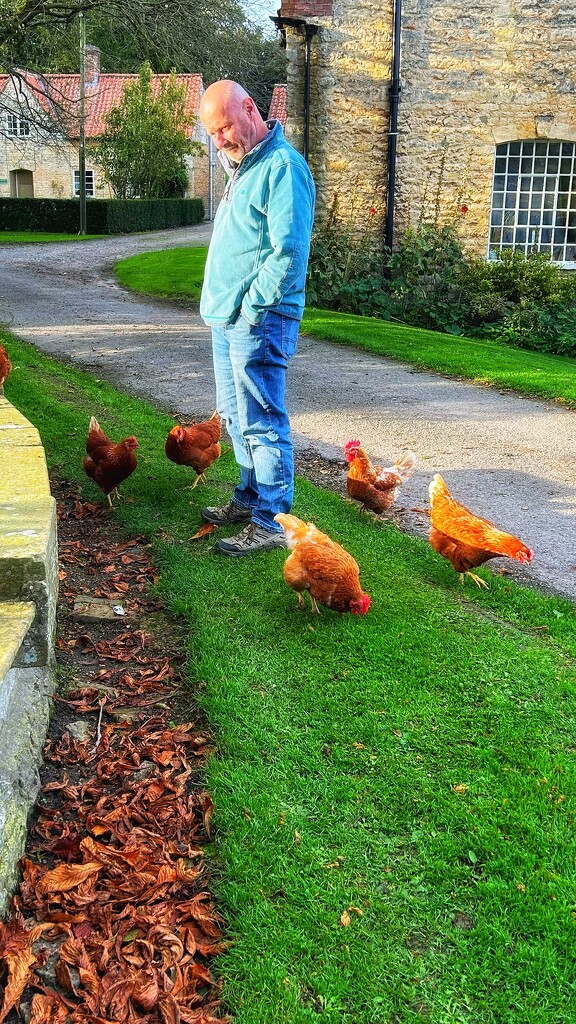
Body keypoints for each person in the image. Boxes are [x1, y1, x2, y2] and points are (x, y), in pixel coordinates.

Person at [198, 80, 315, 556]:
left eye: (224, 126)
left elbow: (288, 252)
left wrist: (251, 309)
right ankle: (248, 498)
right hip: (227, 320)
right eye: (212, 132)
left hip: (259, 319)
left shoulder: (283, 167)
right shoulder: (245, 164)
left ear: (250, 109)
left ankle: (271, 520)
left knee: (262, 421)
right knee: (234, 417)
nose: (220, 139)